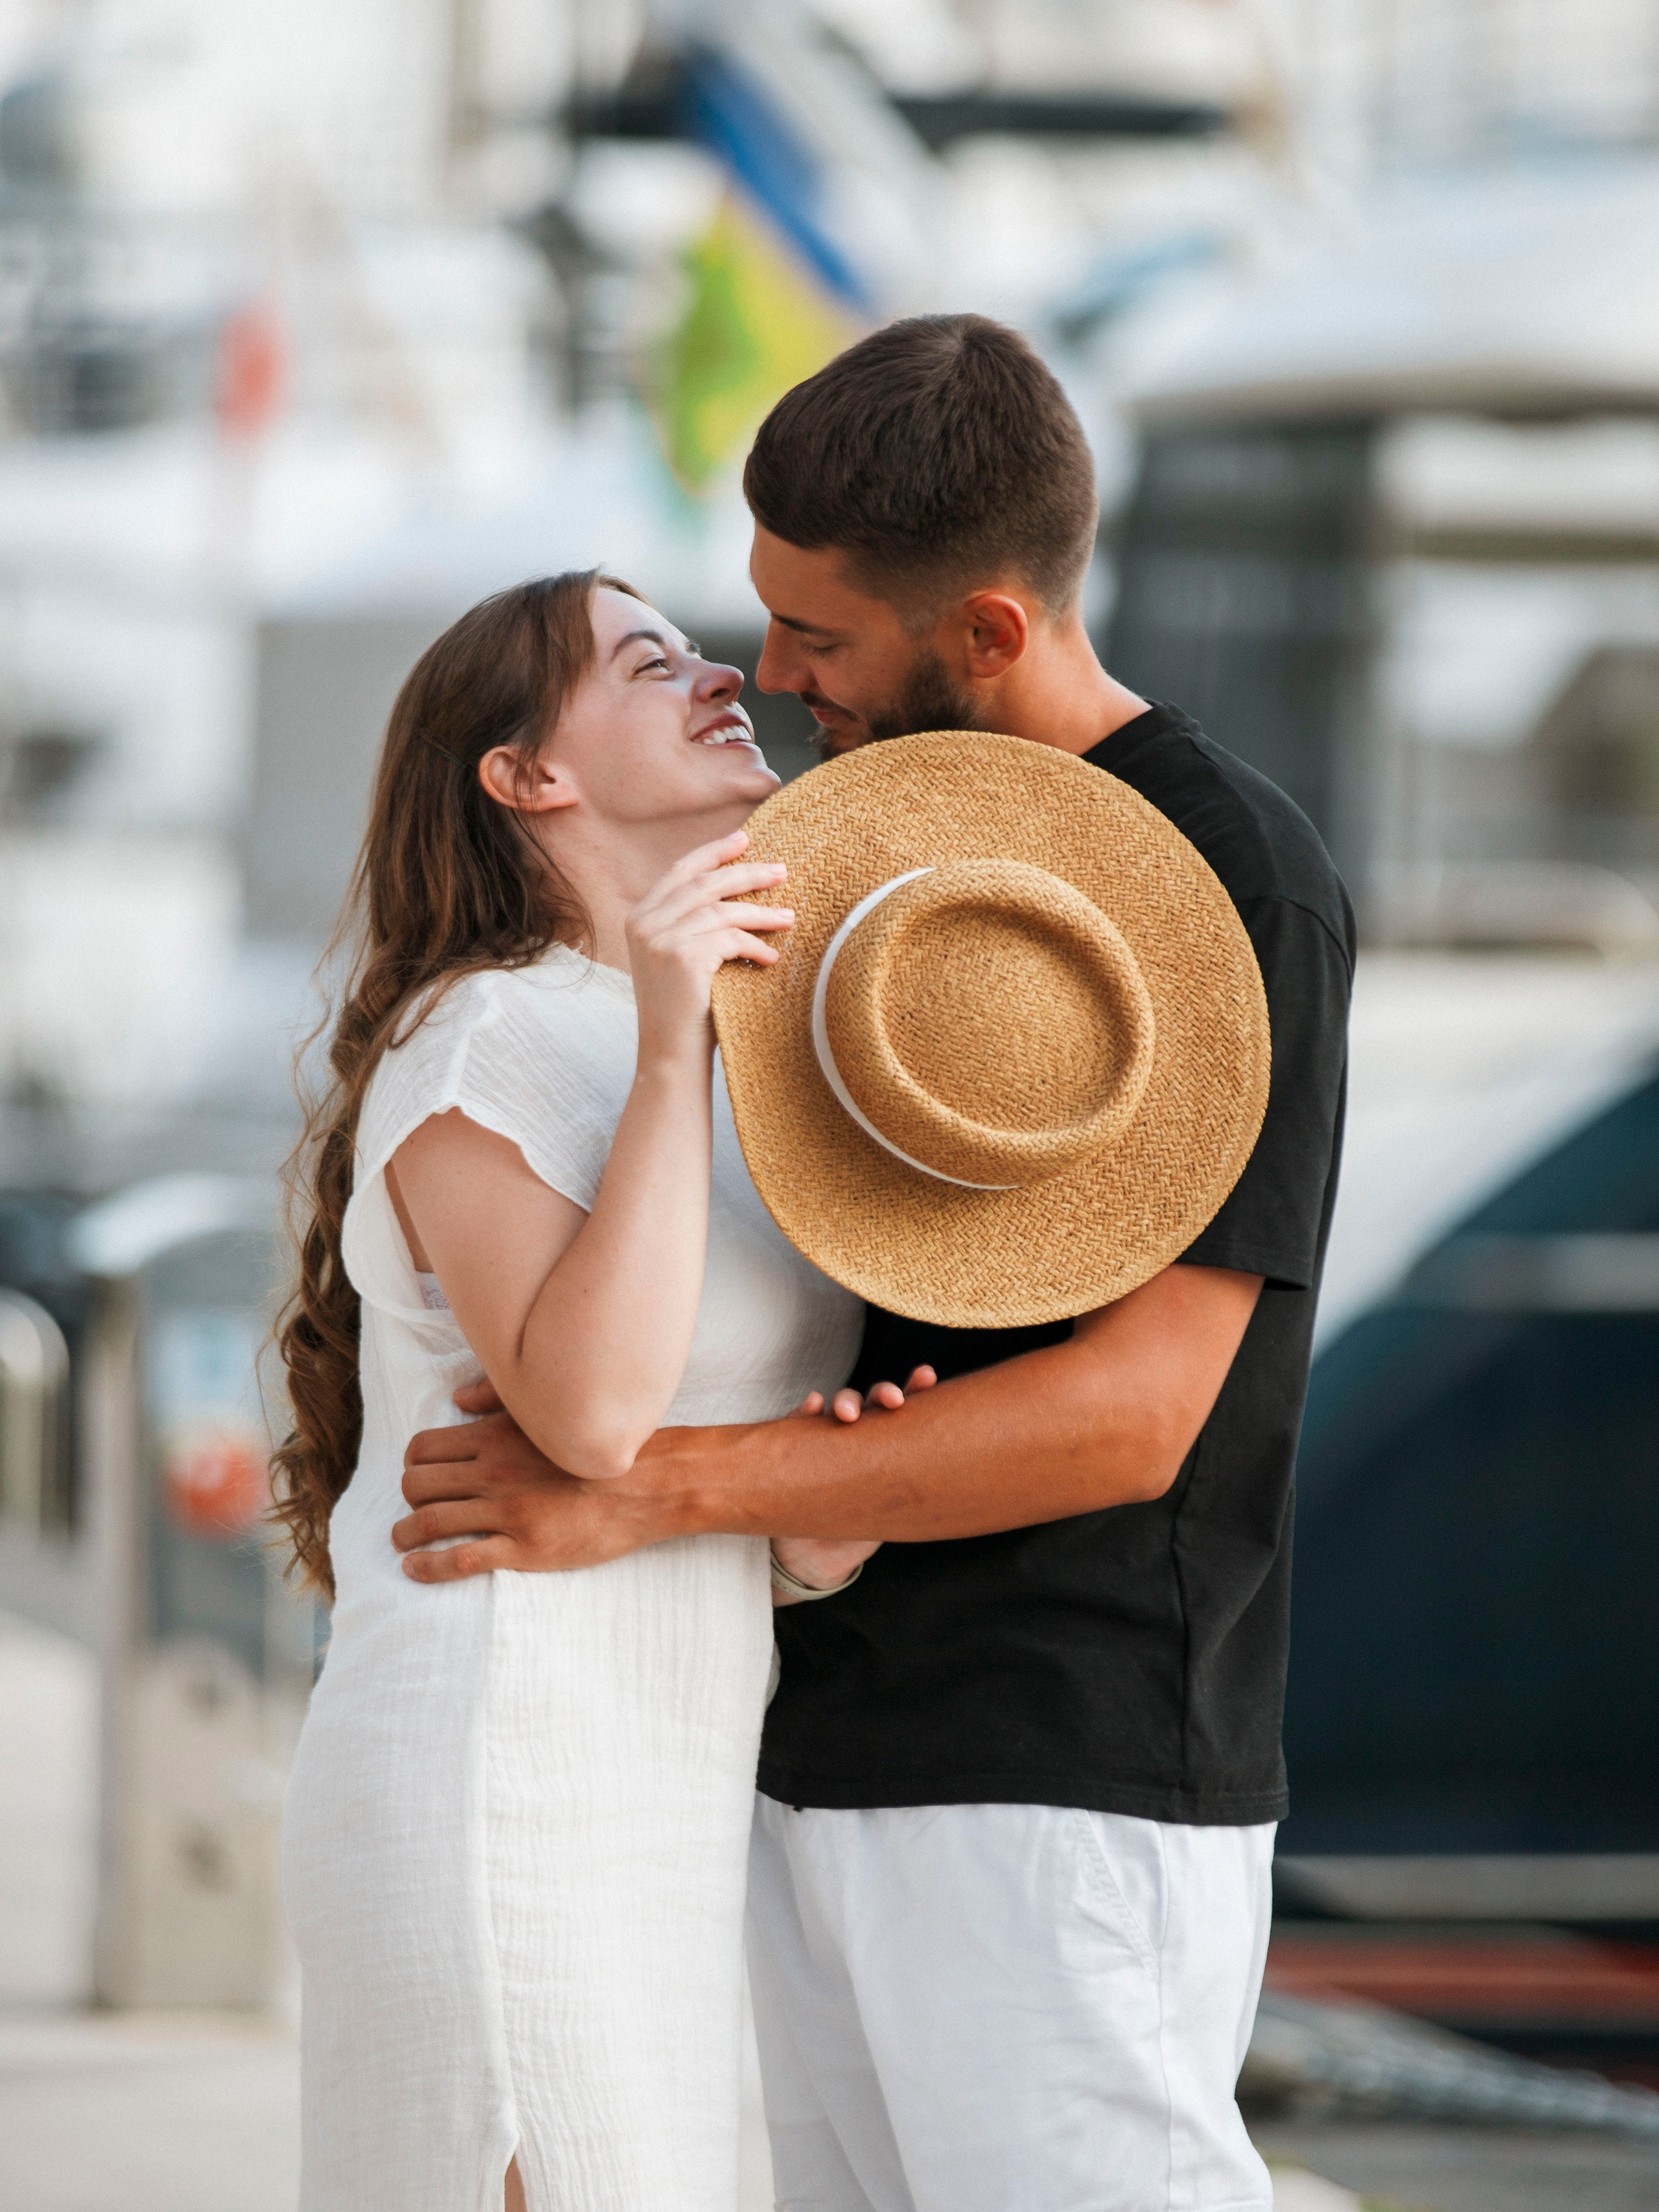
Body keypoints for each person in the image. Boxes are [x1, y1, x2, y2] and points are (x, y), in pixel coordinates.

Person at [393, 316, 1356, 2212]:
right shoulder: (840, 841)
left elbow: (1136, 1413)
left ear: (983, 629)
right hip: (798, 1748)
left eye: (814, 635)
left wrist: (647, 1490)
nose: (770, 674)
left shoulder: (1233, 873)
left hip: (1058, 1774)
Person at [273, 570, 899, 2212]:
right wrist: (674, 1040)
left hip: (667, 1772)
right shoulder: (481, 1035)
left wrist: (803, 1532)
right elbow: (595, 1416)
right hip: (500, 1758)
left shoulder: (725, 1045)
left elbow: (685, 1442)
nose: (718, 674)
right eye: (647, 662)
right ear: (524, 774)